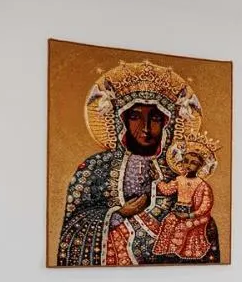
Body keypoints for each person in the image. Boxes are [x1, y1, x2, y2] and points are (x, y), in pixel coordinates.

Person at [56, 60, 221, 266]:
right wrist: (118, 214)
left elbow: (202, 216)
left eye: (155, 118)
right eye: (135, 117)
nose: (146, 128)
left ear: (168, 123)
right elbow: (73, 226)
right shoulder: (96, 167)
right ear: (121, 121)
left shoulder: (177, 170)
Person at [153, 133, 220, 263]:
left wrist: (189, 215)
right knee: (168, 221)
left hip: (196, 216)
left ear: (200, 166)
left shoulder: (202, 185)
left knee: (183, 227)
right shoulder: (179, 179)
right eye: (186, 161)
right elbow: (167, 190)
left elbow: (205, 206)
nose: (188, 165)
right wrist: (157, 180)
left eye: (193, 163)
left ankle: (181, 252)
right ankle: (166, 251)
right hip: (178, 212)